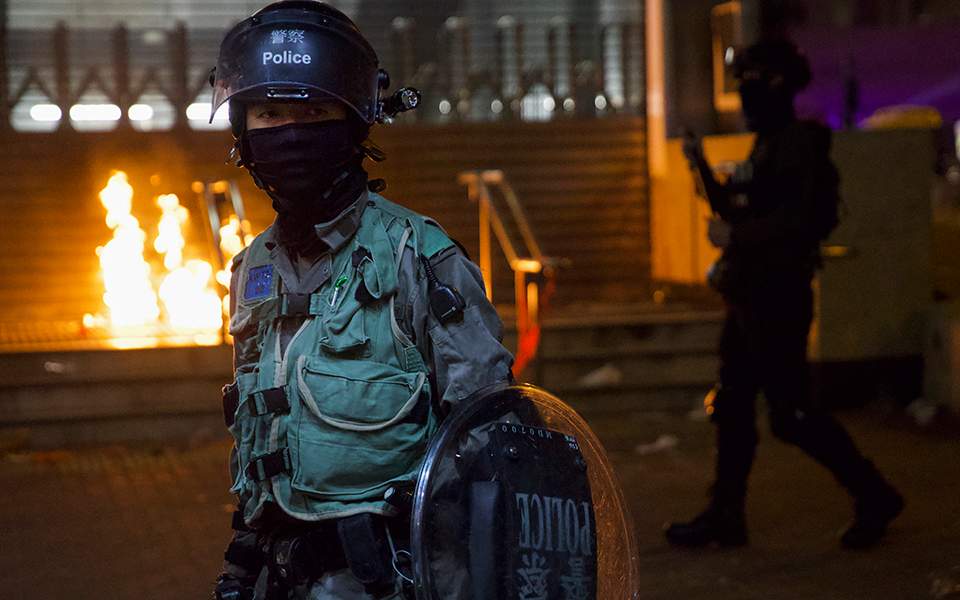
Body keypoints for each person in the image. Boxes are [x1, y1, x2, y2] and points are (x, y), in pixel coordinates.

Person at [208, 2, 514, 598]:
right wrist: (243, 560)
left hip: (394, 580)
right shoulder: (251, 269)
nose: (290, 133)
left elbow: (488, 447)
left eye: (313, 111)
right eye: (269, 113)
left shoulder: (419, 259)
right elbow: (263, 431)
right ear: (243, 132)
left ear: (354, 122)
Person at [665, 39, 903, 550]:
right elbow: (739, 207)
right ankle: (726, 514)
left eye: (750, 81)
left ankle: (875, 494)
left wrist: (737, 236)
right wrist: (700, 165)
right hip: (750, 296)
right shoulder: (768, 143)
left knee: (792, 415)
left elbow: (794, 221)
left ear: (775, 83)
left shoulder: (796, 144)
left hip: (778, 300)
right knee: (733, 405)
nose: (743, 93)